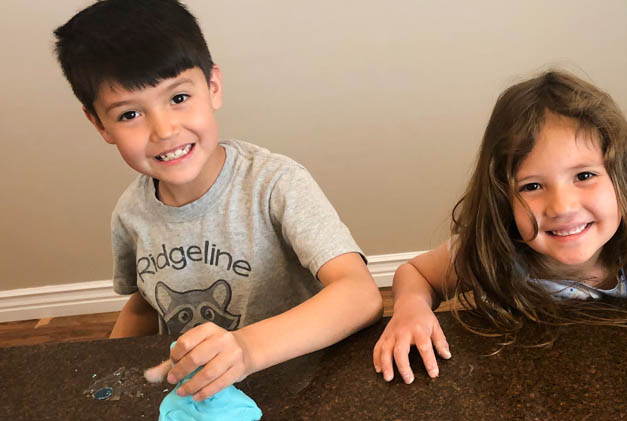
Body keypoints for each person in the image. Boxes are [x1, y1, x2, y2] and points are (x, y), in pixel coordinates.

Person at [53, 0, 383, 400]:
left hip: (301, 393)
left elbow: (360, 294)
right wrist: (110, 377)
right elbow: (145, 303)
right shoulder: (130, 213)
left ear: (212, 86)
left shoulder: (275, 183)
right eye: (129, 115)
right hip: (199, 402)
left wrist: (246, 349)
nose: (164, 130)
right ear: (99, 124)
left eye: (178, 99)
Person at [374, 70, 627, 384]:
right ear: (504, 197)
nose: (562, 207)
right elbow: (416, 273)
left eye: (584, 176)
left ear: (623, 181)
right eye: (531, 186)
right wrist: (410, 308)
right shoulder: (493, 254)